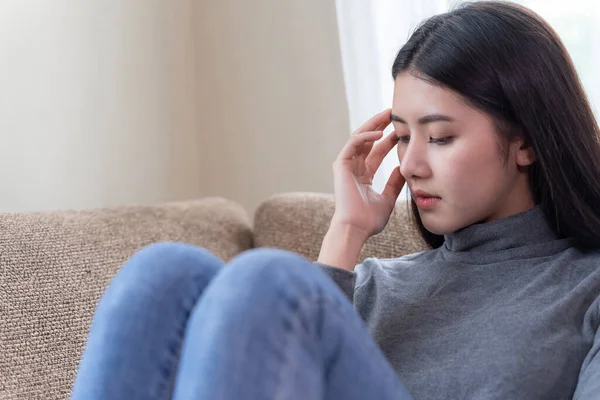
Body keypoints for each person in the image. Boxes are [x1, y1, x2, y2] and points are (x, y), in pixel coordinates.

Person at [71, 1, 600, 399]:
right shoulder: (369, 290)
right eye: (401, 136)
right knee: (164, 273)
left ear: (526, 140)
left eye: (439, 137)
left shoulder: (585, 286)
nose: (411, 164)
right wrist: (345, 232)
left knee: (270, 279)